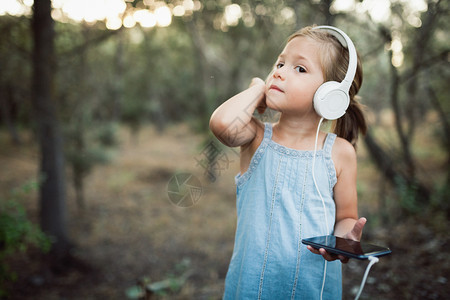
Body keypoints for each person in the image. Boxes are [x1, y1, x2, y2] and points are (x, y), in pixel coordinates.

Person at [209, 25, 367, 299]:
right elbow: (222, 124)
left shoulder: (339, 153)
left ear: (329, 94)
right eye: (280, 63)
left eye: (300, 69)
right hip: (252, 288)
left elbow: (345, 217)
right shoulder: (256, 137)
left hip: (313, 288)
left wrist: (344, 241)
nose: (279, 72)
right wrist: (259, 89)